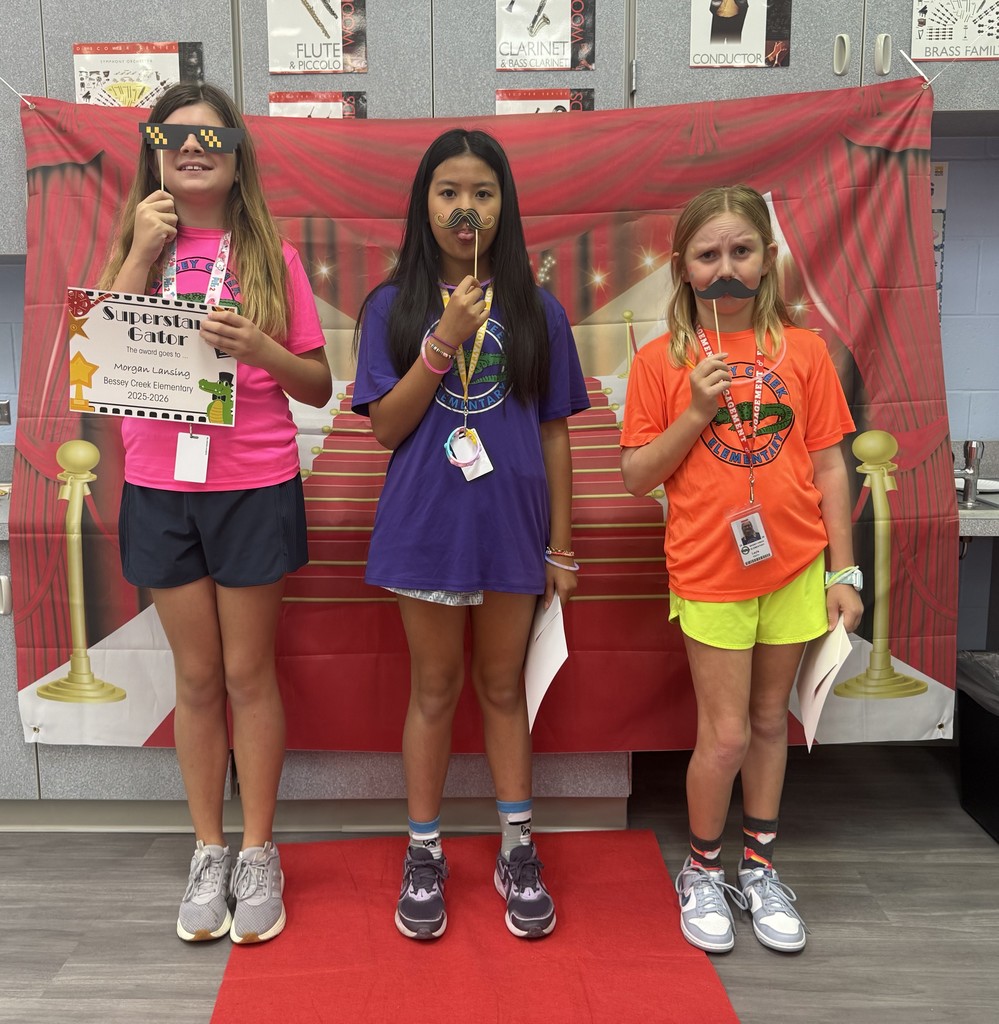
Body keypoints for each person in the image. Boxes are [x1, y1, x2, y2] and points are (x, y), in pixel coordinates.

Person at [100, 83, 332, 944]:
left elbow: (319, 386)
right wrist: (137, 253)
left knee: (247, 675)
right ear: (154, 151)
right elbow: (95, 366)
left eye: (210, 137)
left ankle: (259, 849)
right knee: (195, 681)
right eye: (172, 136)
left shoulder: (274, 257)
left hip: (253, 485)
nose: (191, 148)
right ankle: (208, 847)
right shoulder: (139, 246)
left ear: (238, 157)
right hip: (160, 487)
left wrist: (260, 346)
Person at [352, 128, 589, 941]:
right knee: (432, 690)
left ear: (503, 207)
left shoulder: (538, 308)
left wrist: (560, 544)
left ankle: (517, 846)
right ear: (425, 205)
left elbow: (555, 430)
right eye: (449, 191)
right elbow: (385, 428)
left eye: (482, 193)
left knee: (502, 690)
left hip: (512, 532)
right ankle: (424, 852)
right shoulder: (390, 306)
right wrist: (444, 335)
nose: (465, 207)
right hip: (425, 529)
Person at [620, 185, 863, 954]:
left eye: (740, 251)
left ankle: (757, 868)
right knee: (722, 737)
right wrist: (693, 411)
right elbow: (634, 476)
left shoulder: (805, 352)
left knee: (769, 725)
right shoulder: (661, 363)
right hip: (707, 571)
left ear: (767, 259)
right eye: (707, 254)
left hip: (792, 568)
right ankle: (702, 869)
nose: (725, 268)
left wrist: (841, 573)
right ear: (682, 268)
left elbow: (829, 465)